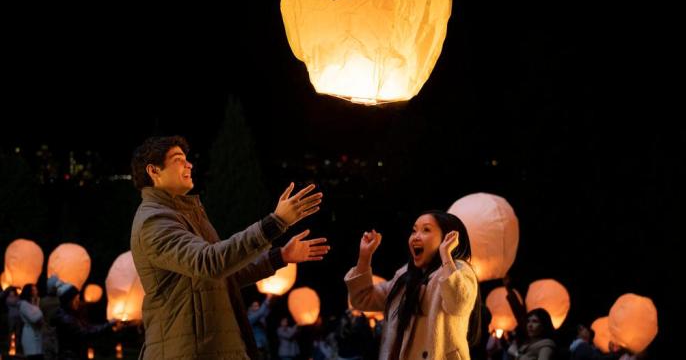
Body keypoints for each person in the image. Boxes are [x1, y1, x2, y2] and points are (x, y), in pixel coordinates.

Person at [130, 135, 330, 360]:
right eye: (178, 159)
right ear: (153, 171)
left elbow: (225, 275)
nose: (189, 164)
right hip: (189, 350)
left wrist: (280, 257)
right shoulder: (154, 220)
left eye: (187, 158)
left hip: (211, 347)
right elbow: (209, 263)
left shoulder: (187, 215)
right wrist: (275, 223)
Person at [345, 210, 481, 360]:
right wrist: (364, 257)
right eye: (414, 231)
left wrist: (446, 256)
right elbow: (362, 299)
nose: (415, 237)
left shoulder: (458, 270)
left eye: (426, 230)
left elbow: (458, 303)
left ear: (447, 238)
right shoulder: (404, 277)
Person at [51, 282, 118, 360]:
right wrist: (109, 325)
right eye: (75, 299)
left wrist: (109, 325)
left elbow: (88, 327)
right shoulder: (66, 319)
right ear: (68, 301)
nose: (78, 301)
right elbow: (86, 333)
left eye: (78, 298)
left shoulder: (71, 315)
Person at [19, 283, 44, 360]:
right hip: (30, 336)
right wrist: (40, 309)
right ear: (29, 292)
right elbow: (34, 318)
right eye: (34, 290)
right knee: (33, 357)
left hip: (38, 335)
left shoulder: (33, 305)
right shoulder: (24, 304)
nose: (37, 292)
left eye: (36, 290)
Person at [248, 295, 272, 359]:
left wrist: (270, 301)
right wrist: (267, 299)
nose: (257, 307)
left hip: (265, 345)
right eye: (255, 306)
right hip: (258, 346)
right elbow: (261, 312)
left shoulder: (260, 317)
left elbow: (266, 311)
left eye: (258, 306)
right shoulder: (250, 317)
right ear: (250, 308)